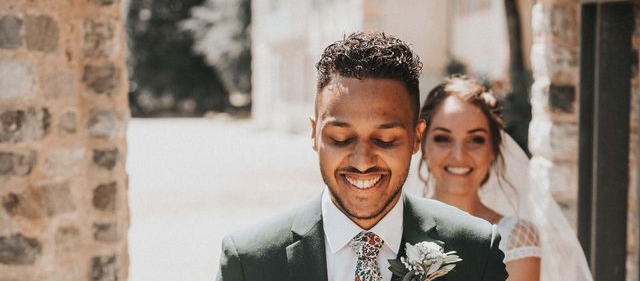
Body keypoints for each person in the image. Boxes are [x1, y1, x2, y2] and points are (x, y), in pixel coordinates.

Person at [217, 32, 507, 281]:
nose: (363, 161)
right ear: (314, 134)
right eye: (341, 139)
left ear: (417, 138)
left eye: (385, 139)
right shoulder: (249, 261)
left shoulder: (476, 251)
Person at [418, 75, 593, 281]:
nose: (459, 155)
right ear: (422, 144)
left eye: (475, 140)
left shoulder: (515, 239)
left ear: (493, 149)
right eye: (443, 138)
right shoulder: (395, 225)